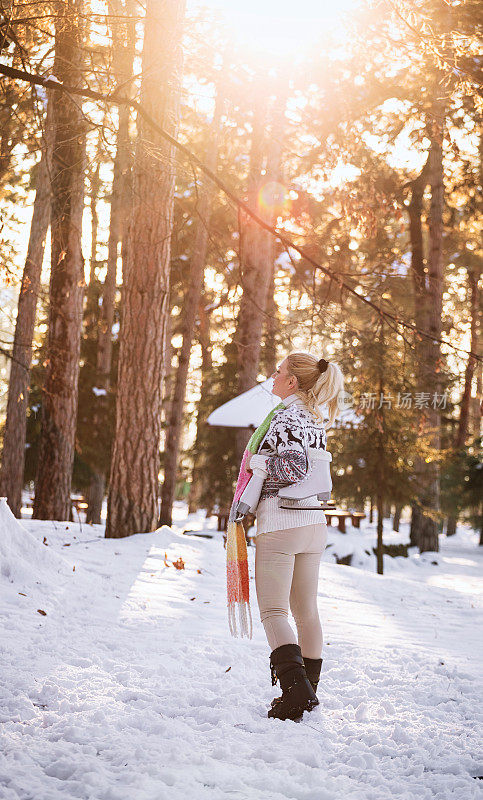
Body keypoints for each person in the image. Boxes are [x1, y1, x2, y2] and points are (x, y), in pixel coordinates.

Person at [246, 351, 345, 721]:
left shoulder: (287, 416)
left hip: (280, 522)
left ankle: (296, 693)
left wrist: (259, 462)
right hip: (312, 524)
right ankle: (306, 688)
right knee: (306, 612)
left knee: (274, 611)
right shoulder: (315, 418)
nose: (273, 375)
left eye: (279, 371)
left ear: (292, 382)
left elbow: (292, 466)